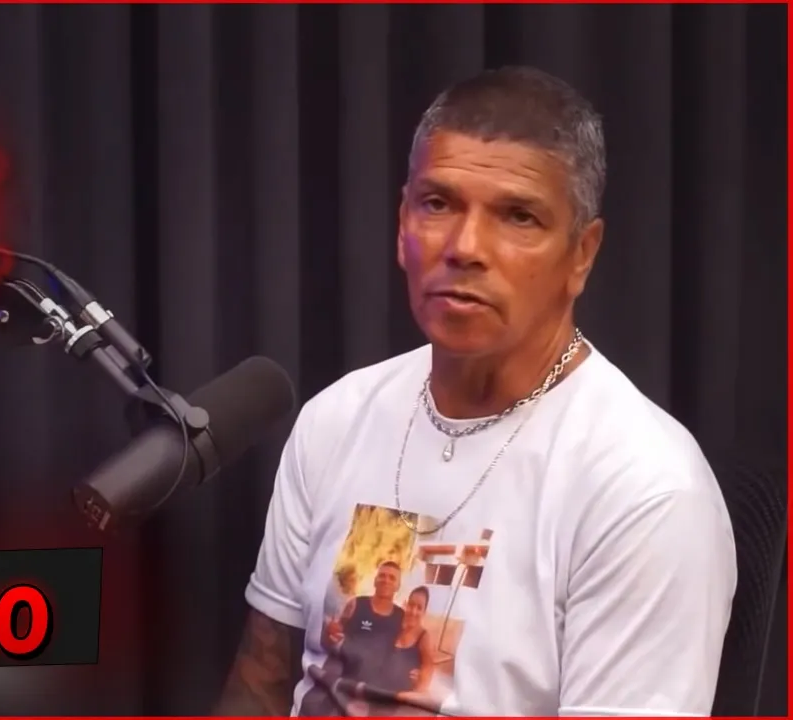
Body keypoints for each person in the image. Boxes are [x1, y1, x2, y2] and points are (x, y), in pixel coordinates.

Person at [215, 66, 737, 717]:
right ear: (402, 223)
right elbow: (259, 684)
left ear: (582, 254)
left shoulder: (645, 488)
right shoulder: (338, 418)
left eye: (518, 217)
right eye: (438, 204)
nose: (464, 248)